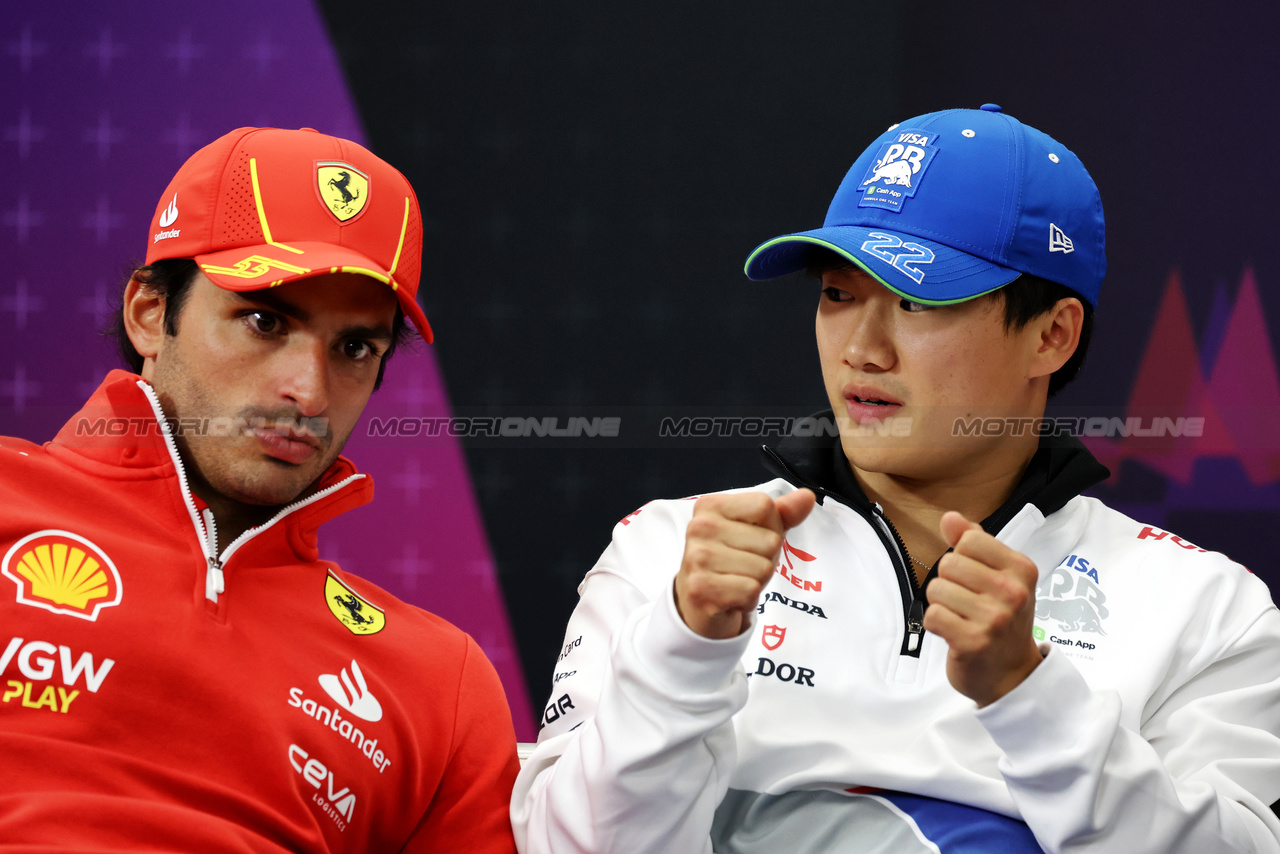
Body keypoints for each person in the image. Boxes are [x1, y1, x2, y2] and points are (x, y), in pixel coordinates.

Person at [511, 106, 1280, 852]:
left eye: (918, 298)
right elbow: (562, 845)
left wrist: (1029, 694)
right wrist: (684, 648)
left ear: (1051, 335)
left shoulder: (1205, 610)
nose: (861, 350)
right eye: (838, 295)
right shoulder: (669, 555)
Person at [0, 127, 519, 852]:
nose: (307, 392)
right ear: (150, 314)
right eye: (264, 320)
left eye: (354, 348)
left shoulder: (439, 680)